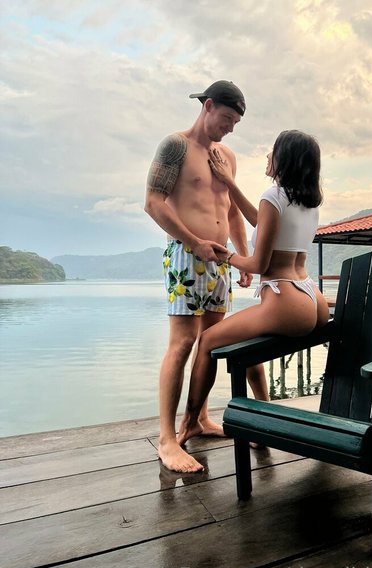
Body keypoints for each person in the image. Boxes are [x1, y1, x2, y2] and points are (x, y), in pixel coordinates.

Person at [177, 130, 330, 470]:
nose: (267, 156)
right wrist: (230, 183)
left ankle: (189, 422)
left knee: (207, 341)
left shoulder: (273, 195)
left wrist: (226, 256)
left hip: (284, 299)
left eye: (272, 151)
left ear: (284, 158)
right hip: (310, 296)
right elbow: (263, 222)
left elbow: (259, 264)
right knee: (244, 343)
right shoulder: (307, 201)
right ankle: (262, 425)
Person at [144, 80, 268, 473]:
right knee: (182, 343)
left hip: (221, 260)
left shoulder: (226, 156)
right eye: (227, 118)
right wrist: (194, 242)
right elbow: (153, 203)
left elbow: (230, 210)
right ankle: (167, 439)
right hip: (185, 255)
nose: (230, 128)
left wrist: (243, 257)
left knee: (211, 343)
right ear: (208, 106)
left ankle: (197, 419)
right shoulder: (175, 146)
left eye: (235, 123)